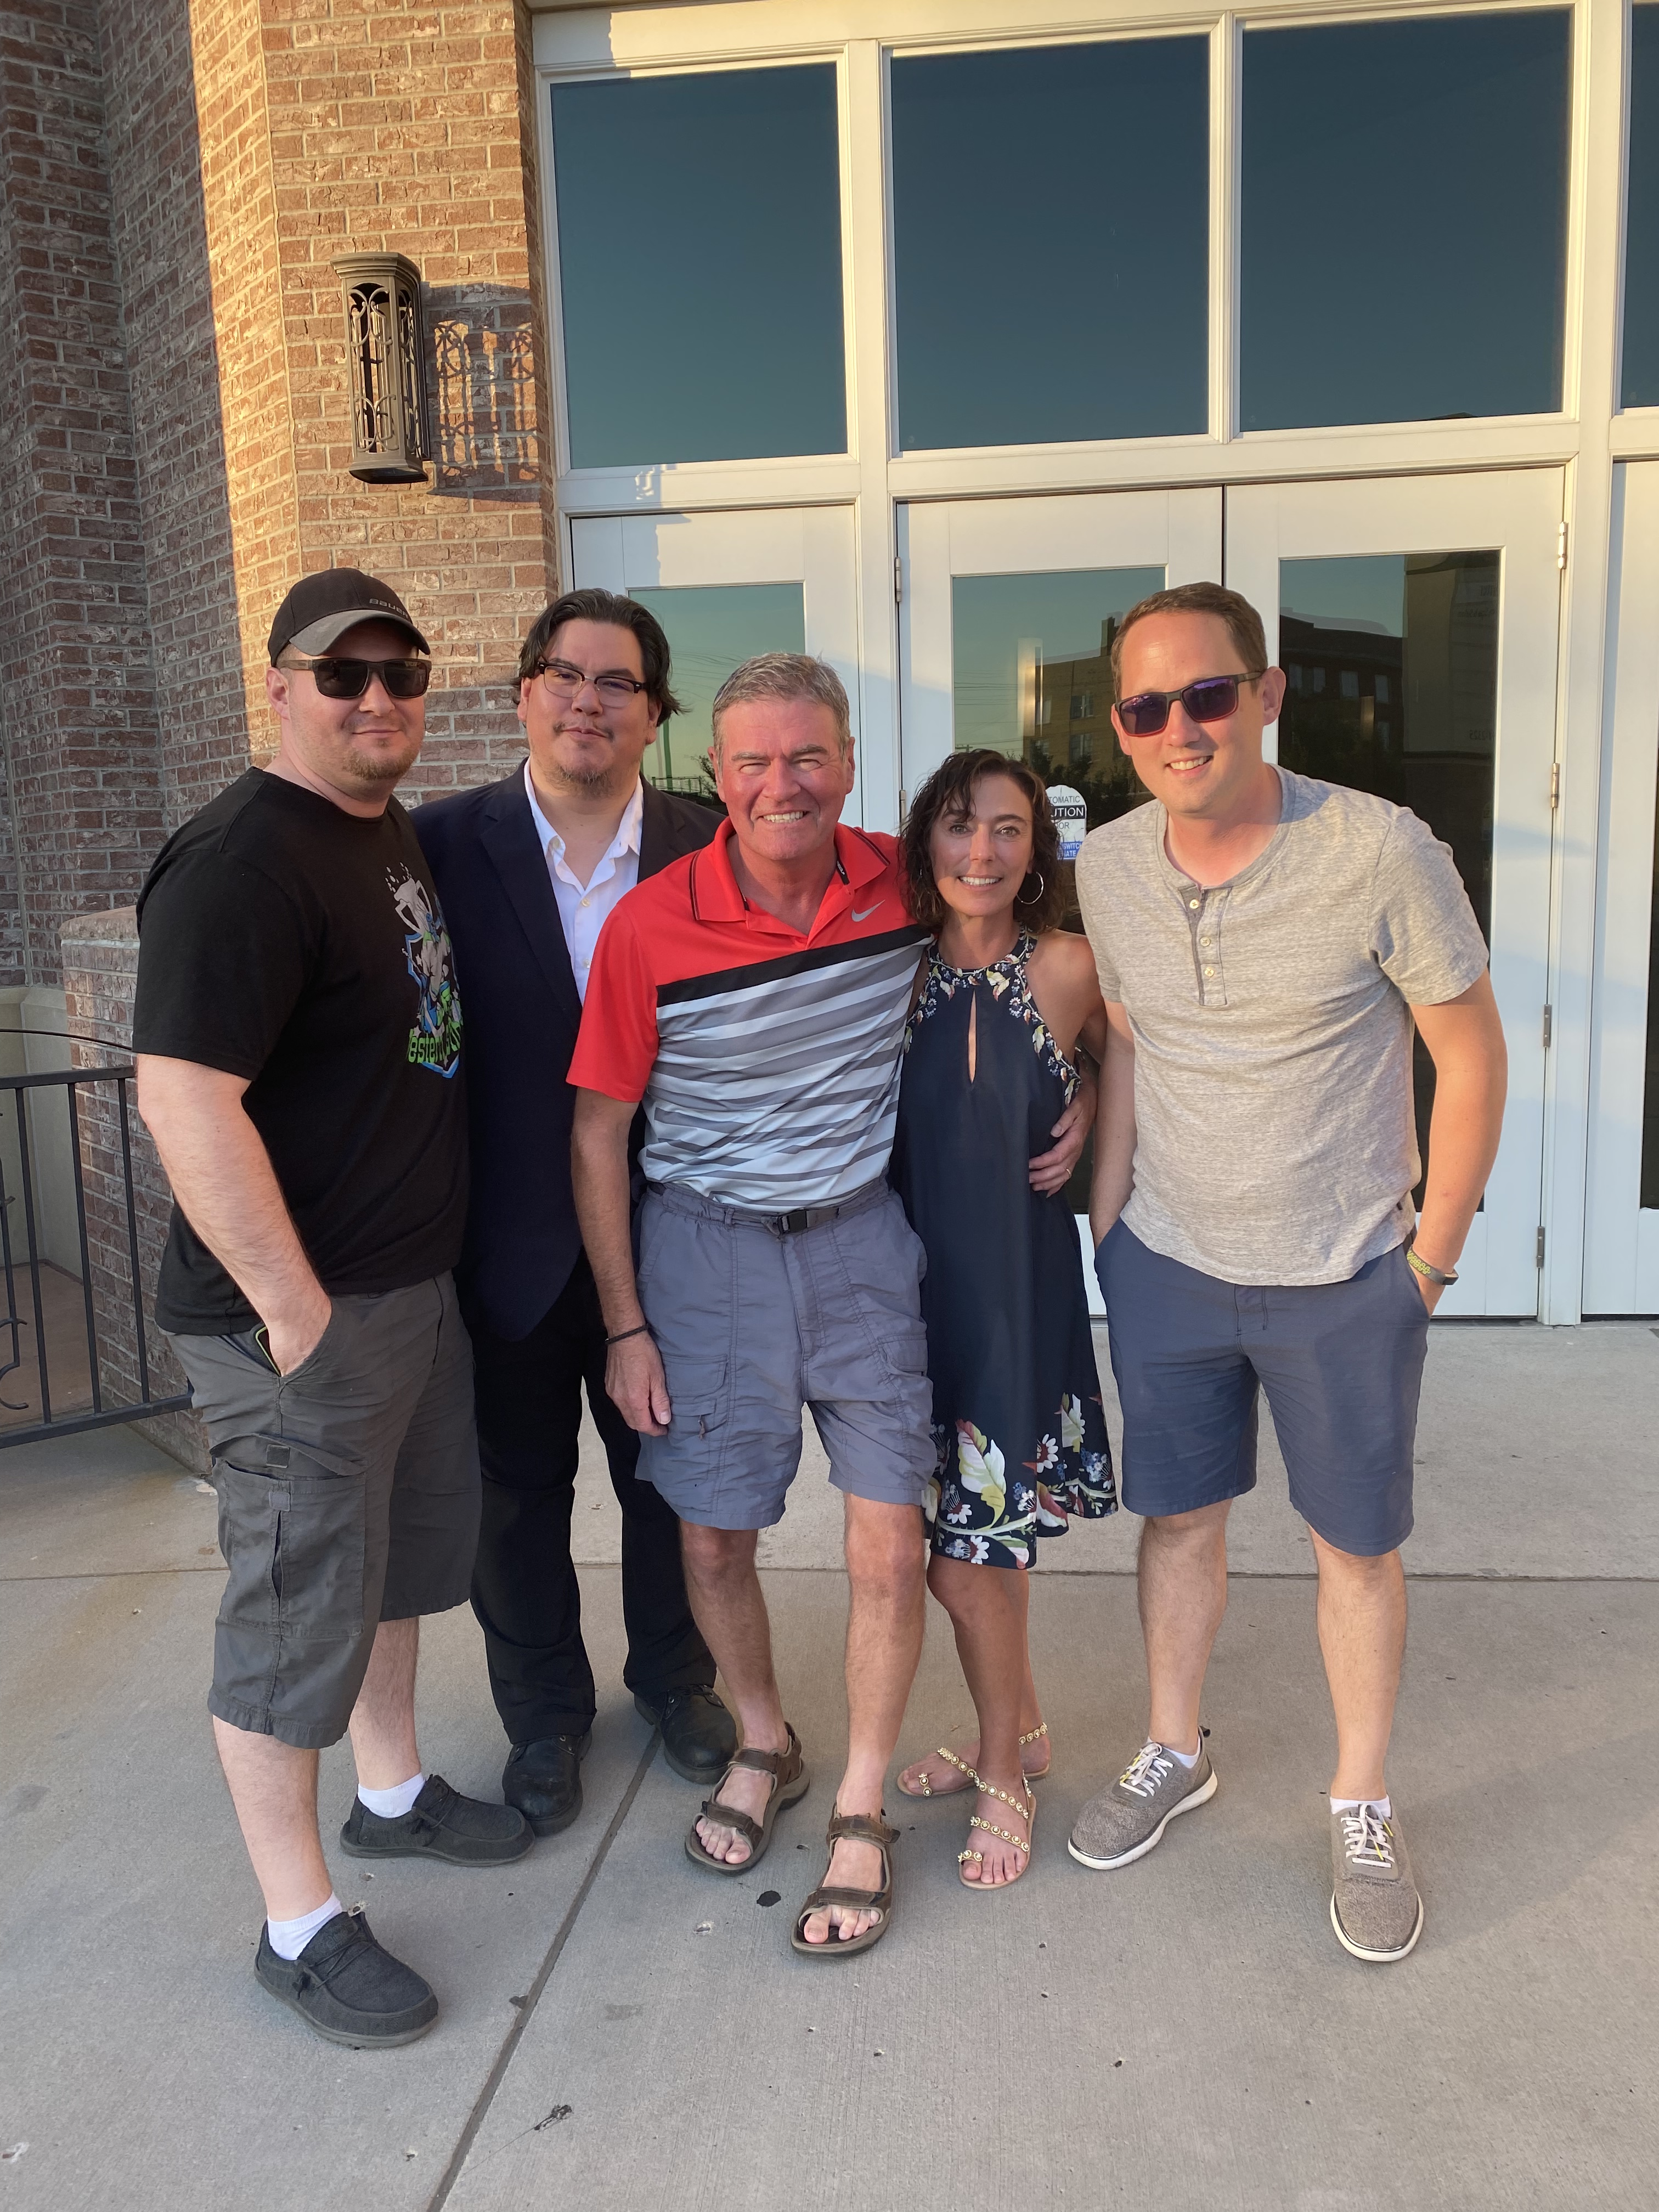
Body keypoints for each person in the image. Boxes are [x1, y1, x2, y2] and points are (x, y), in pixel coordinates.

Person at [569, 654, 1088, 1955]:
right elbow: (598, 1133)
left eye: (808, 756)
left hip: (861, 1246)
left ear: (850, 766)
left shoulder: (903, 886)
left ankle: (860, 1803)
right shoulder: (650, 926)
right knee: (711, 1543)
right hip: (704, 1260)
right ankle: (764, 1739)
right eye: (753, 760)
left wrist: (1084, 1087)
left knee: (890, 1548)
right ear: (717, 773)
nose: (782, 783)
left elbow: (1043, 960)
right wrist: (625, 1324)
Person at [1070, 580, 1508, 1963]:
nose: (1180, 728)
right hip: (1169, 1265)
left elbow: (1471, 1056)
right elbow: (1128, 1039)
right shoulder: (1110, 865)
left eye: (1208, 695)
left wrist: (1430, 1260)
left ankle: (1361, 1797)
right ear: (1122, 727)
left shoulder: (1379, 850)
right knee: (1177, 1523)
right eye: (1148, 707)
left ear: (1265, 695)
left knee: (1355, 1548)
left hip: (1346, 1272)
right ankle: (1173, 1747)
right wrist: (1111, 1226)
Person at [134, 569, 529, 2052]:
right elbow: (183, 1099)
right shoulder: (240, 864)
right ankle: (296, 1926)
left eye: (401, 673)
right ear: (280, 688)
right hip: (297, 1329)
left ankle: (393, 1792)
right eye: (343, 674)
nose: (378, 699)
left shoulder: (378, 829)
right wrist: (298, 1317)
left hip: (405, 1296)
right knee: (293, 1616)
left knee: (389, 1574)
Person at [413, 591, 734, 1835]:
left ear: (655, 714)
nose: (588, 701)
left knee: (669, 1483)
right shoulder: (436, 847)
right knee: (517, 1501)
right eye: (565, 674)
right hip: (504, 1248)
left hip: (676, 1240)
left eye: (618, 683)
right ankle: (543, 1716)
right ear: (524, 694)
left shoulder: (715, 848)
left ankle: (676, 1680)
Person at [889, 751, 1118, 1891]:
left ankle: (1002, 1774)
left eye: (1007, 829)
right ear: (925, 839)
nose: (981, 850)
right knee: (980, 1547)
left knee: (963, 1565)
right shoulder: (891, 969)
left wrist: (1092, 1106)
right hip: (904, 1300)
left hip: (1014, 1301)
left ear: (1037, 850)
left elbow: (1144, 1061)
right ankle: (1019, 1730)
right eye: (958, 824)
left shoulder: (1070, 966)